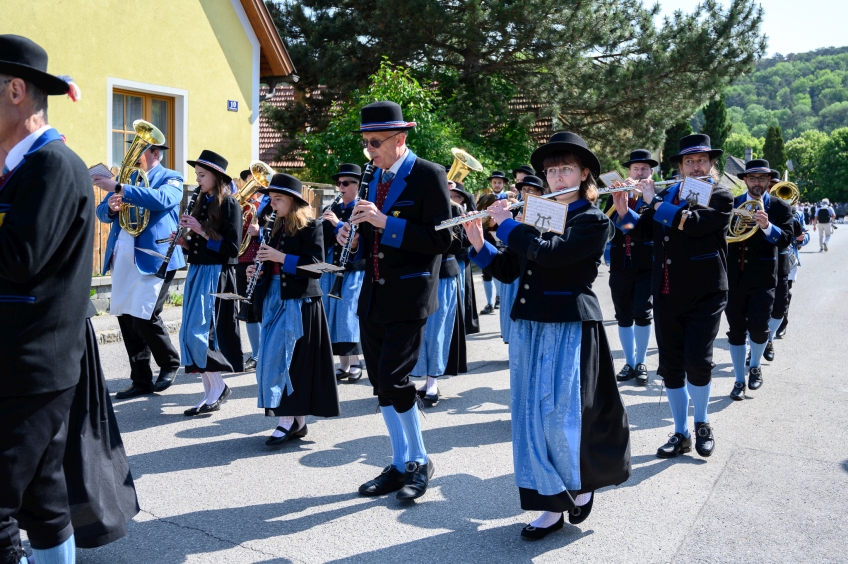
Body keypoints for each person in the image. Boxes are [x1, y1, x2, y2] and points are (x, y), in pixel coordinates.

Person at [466, 131, 630, 538]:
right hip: (529, 327)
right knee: (530, 421)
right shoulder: (536, 214)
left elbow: (554, 257)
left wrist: (508, 226)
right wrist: (479, 240)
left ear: (584, 172)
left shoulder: (592, 220)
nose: (557, 177)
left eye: (566, 169)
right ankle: (550, 506)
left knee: (562, 419)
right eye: (552, 171)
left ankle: (580, 484)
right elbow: (508, 270)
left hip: (569, 327)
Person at [0, 34, 91, 564]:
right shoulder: (21, 167)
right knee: (43, 500)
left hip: (30, 366)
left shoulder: (53, 165)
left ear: (15, 90)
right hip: (21, 363)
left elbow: (19, 257)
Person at [337, 100, 452, 501]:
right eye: (366, 144)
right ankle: (400, 462)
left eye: (375, 143)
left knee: (394, 379)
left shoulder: (428, 174)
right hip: (374, 293)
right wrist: (350, 237)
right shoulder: (373, 176)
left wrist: (385, 222)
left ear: (400, 139)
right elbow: (371, 238)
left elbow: (443, 239)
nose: (369, 151)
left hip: (410, 293)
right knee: (380, 384)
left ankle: (419, 460)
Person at [613, 133, 733, 460]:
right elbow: (639, 232)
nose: (696, 166)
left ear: (711, 164)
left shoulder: (721, 195)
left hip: (706, 292)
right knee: (671, 366)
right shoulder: (669, 193)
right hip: (666, 291)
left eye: (702, 161)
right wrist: (624, 209)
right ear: (679, 166)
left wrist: (653, 201)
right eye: (689, 161)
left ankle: (702, 422)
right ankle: (680, 433)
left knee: (698, 361)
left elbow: (691, 224)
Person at [248, 173, 339, 445]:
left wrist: (280, 258)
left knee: (290, 362)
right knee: (274, 358)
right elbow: (270, 264)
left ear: (292, 201)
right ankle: (295, 421)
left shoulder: (312, 226)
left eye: (278, 200)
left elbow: (318, 267)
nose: (272, 205)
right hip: (275, 297)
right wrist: (258, 271)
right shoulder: (273, 225)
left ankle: (286, 420)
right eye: (272, 199)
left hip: (300, 302)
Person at [94, 139, 185, 398]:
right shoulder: (127, 178)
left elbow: (164, 199)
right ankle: (141, 378)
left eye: (139, 151)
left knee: (145, 316)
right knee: (126, 317)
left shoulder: (171, 177)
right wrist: (110, 208)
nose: (132, 156)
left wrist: (122, 188)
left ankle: (169, 363)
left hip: (156, 256)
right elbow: (101, 212)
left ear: (155, 153)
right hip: (123, 256)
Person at [175, 150, 243, 416]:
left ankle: (217, 389)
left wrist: (200, 231)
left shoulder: (230, 205)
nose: (198, 179)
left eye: (202, 175)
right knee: (189, 334)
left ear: (217, 177)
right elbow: (201, 244)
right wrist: (185, 242)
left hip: (217, 275)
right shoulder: (202, 201)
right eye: (197, 175)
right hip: (199, 271)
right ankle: (212, 391)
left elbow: (232, 248)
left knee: (203, 334)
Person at [723, 160, 792, 400]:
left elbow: (785, 239)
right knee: (736, 331)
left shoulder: (780, 207)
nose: (757, 183)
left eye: (762, 178)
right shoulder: (732, 204)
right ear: (744, 180)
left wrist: (766, 225)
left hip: (763, 278)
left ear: (768, 180)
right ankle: (739, 380)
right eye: (752, 178)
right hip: (733, 278)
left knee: (760, 329)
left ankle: (755, 366)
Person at [605, 149, 658, 386]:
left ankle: (641, 361)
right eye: (635, 169)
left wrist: (641, 197)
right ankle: (629, 361)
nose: (639, 173)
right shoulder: (614, 194)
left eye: (644, 169)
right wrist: (621, 197)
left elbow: (653, 227)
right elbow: (607, 225)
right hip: (619, 262)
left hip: (646, 263)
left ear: (651, 172)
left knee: (642, 311)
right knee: (623, 313)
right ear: (629, 172)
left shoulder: (655, 196)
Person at [411, 196, 468, 405]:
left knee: (437, 331)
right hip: (418, 274)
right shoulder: (416, 204)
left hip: (443, 274)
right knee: (419, 330)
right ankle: (424, 378)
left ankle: (432, 379)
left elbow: (457, 245)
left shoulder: (454, 209)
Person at [320, 163, 365, 381]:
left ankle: (356, 362)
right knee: (333, 313)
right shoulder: (335, 208)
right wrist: (321, 223)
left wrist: (337, 224)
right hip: (332, 267)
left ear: (358, 186)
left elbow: (357, 238)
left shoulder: (361, 209)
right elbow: (325, 240)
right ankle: (343, 364)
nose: (341, 187)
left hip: (353, 269)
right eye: (339, 183)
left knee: (348, 313)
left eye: (346, 183)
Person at [497, 174, 546, 344]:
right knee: (511, 302)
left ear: (540, 193)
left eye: (530, 190)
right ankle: (511, 338)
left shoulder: (546, 210)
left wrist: (525, 226)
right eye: (524, 190)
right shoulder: (517, 208)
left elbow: (545, 238)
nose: (526, 193)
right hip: (514, 259)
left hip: (532, 264)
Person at [234, 168, 268, 372]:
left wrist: (259, 231)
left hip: (258, 260)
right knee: (246, 310)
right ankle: (255, 354)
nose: (250, 189)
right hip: (240, 261)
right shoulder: (239, 206)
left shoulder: (264, 206)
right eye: (247, 183)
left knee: (259, 309)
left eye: (254, 184)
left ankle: (263, 352)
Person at [450, 183, 480, 336]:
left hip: (460, 258)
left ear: (463, 199)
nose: (453, 198)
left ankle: (461, 325)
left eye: (457, 196)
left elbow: (469, 240)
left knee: (461, 292)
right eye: (451, 195)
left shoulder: (464, 212)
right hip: (447, 261)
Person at [476, 193, 500, 315]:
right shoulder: (484, 199)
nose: (496, 184)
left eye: (499, 182)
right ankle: (489, 303)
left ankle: (499, 298)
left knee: (498, 272)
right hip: (485, 242)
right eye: (494, 182)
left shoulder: (504, 201)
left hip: (498, 245)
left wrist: (494, 224)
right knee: (486, 273)